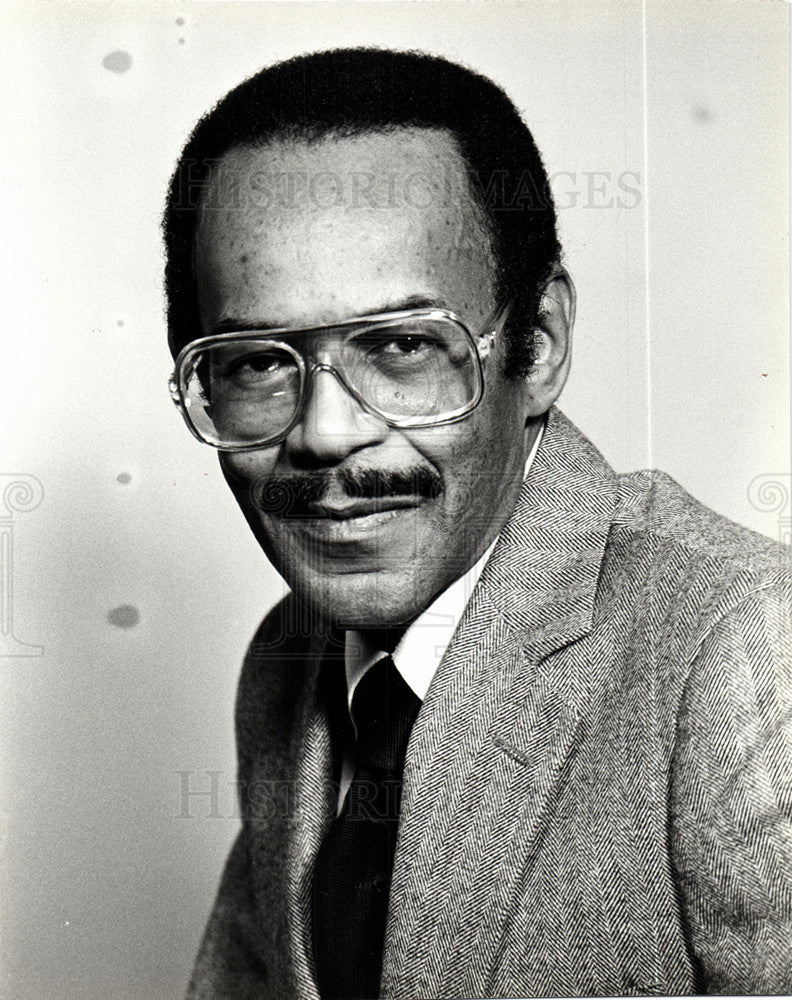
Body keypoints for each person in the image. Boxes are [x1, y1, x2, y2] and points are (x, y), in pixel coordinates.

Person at [164, 48, 792, 999]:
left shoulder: (749, 654)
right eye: (257, 363)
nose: (328, 435)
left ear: (537, 347)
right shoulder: (285, 659)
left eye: (404, 346)